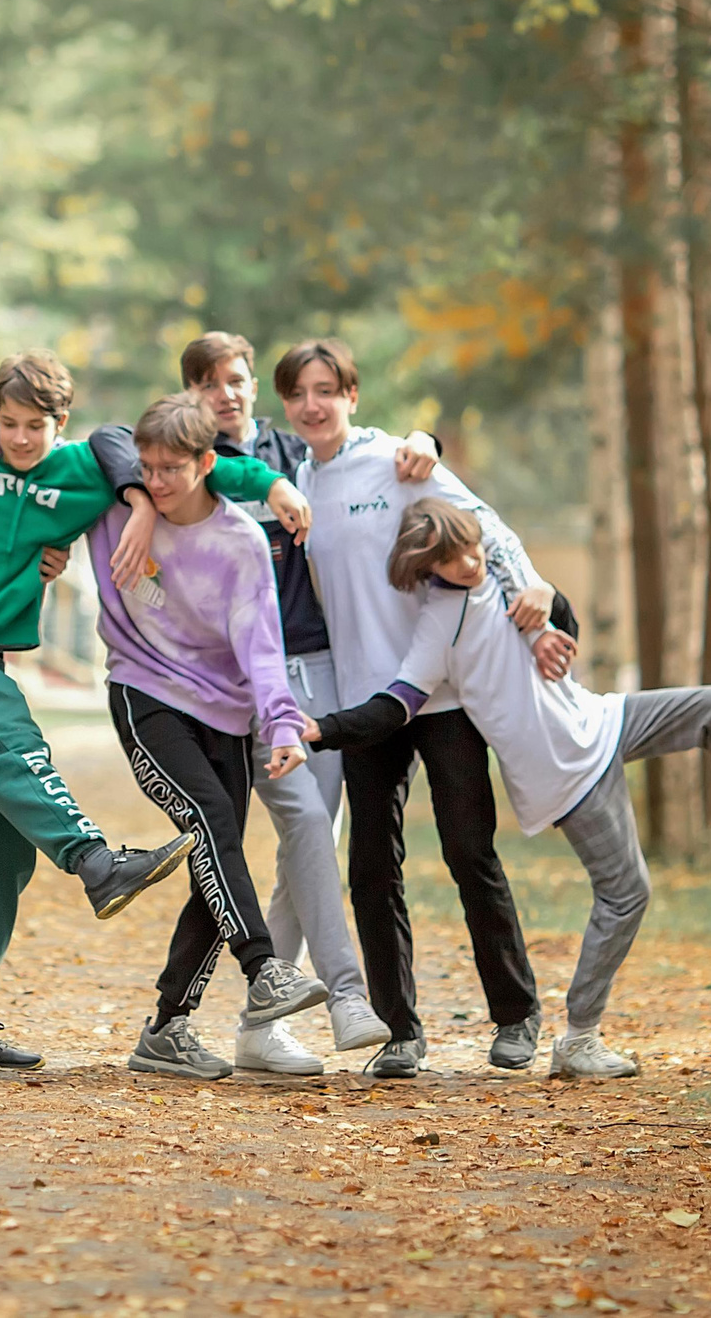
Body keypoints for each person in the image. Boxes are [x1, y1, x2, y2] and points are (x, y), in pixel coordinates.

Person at [305, 499, 711, 1078]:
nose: (470, 560)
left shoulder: (502, 573)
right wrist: (325, 728)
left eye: (471, 545)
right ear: (427, 569)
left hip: (602, 718)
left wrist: (547, 595)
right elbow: (394, 706)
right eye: (451, 559)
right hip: (566, 769)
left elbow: (560, 627)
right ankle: (578, 1036)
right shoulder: (439, 628)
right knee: (627, 892)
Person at [0, 348, 311, 1070]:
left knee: (2, 834)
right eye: (7, 423)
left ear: (60, 424)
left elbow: (176, 456)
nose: (21, 437)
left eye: (35, 425)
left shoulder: (87, 470)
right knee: (16, 740)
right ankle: (95, 860)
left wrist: (265, 483)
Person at [284, 337, 575, 1079]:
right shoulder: (294, 481)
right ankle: (399, 1031)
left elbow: (488, 529)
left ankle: (517, 1017)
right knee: (372, 871)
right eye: (298, 394)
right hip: (362, 700)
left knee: (468, 851)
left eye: (326, 389)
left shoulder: (399, 462)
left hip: (442, 694)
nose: (312, 405)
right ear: (286, 407)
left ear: (352, 394)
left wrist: (532, 592)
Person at [178, 331, 436, 1069]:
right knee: (302, 831)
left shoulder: (293, 451)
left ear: (255, 384)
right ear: (191, 394)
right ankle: (303, 1001)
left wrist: (424, 438)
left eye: (235, 378)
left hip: (318, 665)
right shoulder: (191, 465)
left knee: (312, 836)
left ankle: (264, 1022)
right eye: (207, 382)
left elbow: (360, 451)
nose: (224, 392)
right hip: (239, 677)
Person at [85, 392, 329, 1079]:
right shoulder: (117, 505)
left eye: (172, 470)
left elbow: (262, 648)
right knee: (211, 821)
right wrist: (135, 502)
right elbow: (88, 438)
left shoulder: (241, 542)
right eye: (148, 467)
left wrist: (281, 722)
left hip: (223, 711)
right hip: (144, 691)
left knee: (213, 859)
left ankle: (167, 1027)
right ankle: (264, 968)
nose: (158, 482)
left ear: (207, 464)